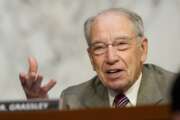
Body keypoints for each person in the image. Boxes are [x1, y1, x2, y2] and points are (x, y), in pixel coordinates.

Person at [19, 8, 176, 109]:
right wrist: (39, 108)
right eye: (99, 47)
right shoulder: (72, 101)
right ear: (91, 58)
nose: (111, 57)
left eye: (121, 44)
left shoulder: (173, 91)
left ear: (142, 49)